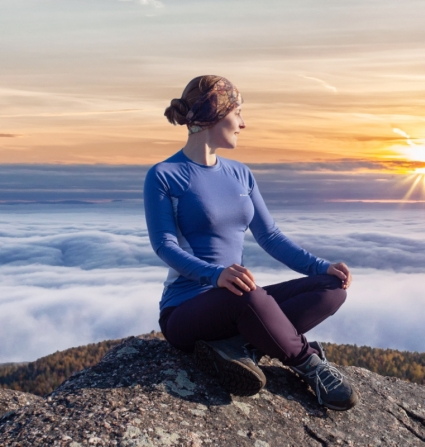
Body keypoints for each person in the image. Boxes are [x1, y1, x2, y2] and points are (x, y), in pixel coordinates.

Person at [143, 75, 357, 410]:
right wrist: (215, 275)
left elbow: (270, 236)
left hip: (237, 298)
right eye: (237, 112)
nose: (243, 123)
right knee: (249, 296)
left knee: (332, 289)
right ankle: (310, 364)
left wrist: (321, 267)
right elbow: (164, 246)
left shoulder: (241, 174)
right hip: (186, 310)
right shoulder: (165, 175)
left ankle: (239, 348)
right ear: (214, 113)